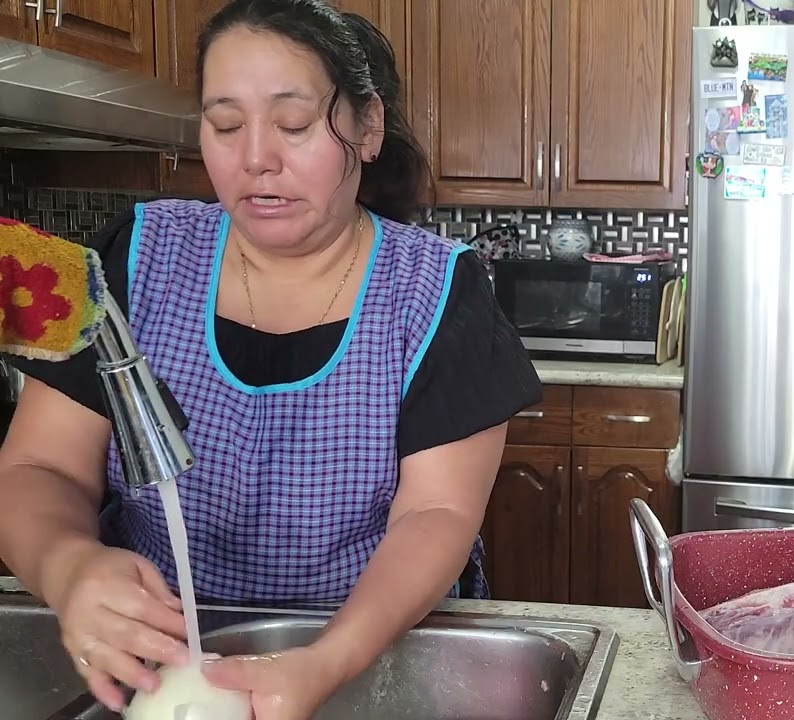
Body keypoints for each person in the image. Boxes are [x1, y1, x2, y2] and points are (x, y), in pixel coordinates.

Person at [0, 0, 542, 717]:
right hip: (166, 661)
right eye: (225, 124)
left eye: (292, 124)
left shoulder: (438, 291)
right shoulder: (132, 259)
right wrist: (67, 566)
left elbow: (436, 513)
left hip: (367, 651)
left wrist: (328, 659)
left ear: (368, 126)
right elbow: (37, 468)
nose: (255, 157)